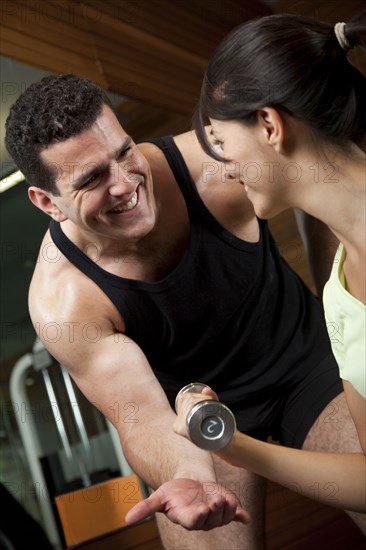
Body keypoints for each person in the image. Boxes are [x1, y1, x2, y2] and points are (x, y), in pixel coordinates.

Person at [4, 68, 363, 550]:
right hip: (191, 423)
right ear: (47, 202)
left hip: (307, 364)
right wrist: (183, 473)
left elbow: (316, 189)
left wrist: (335, 306)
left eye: (124, 152)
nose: (124, 183)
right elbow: (140, 417)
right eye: (92, 178)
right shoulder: (63, 301)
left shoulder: (211, 169)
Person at [169, 11, 366, 516]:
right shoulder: (340, 293)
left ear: (269, 125)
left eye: (220, 140)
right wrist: (230, 444)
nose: (225, 167)